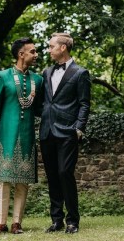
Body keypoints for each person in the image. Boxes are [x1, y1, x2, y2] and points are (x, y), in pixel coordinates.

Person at [0, 37, 43, 235]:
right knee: (3, 179)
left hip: (27, 135)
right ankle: (1, 223)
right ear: (21, 54)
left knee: (22, 180)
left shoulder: (38, 80)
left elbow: (41, 108)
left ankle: (17, 223)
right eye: (33, 51)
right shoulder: (3, 76)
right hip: (5, 135)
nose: (36, 55)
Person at [38, 32, 91, 234]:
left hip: (68, 132)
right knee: (52, 176)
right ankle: (56, 220)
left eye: (51, 46)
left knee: (64, 173)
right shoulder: (46, 72)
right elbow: (45, 101)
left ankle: (73, 221)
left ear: (63, 48)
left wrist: (79, 128)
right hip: (47, 131)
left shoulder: (80, 73)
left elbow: (84, 104)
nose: (49, 49)